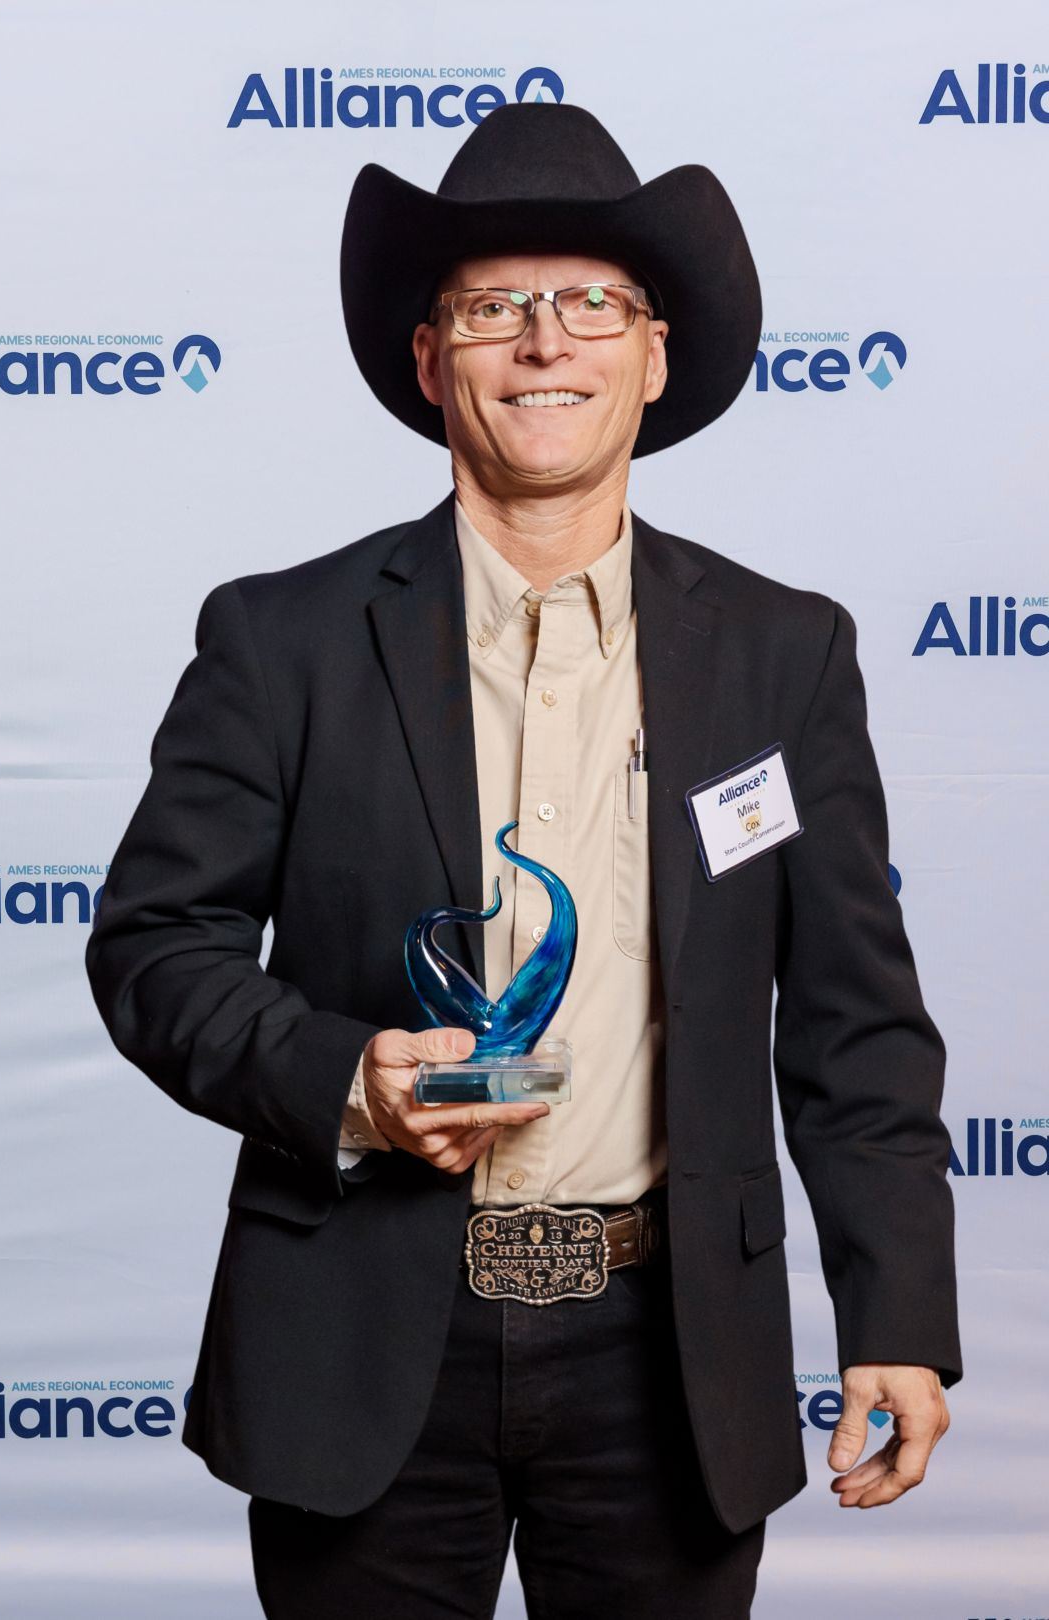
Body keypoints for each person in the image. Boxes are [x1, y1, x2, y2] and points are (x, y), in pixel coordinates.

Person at [85, 101, 962, 1618]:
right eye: (496, 307)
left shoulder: (783, 654)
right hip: (363, 1348)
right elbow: (155, 947)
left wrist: (898, 1314)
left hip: (670, 1356)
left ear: (654, 355)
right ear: (434, 363)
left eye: (590, 306)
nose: (546, 341)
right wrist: (347, 1078)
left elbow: (853, 1023)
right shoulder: (280, 638)